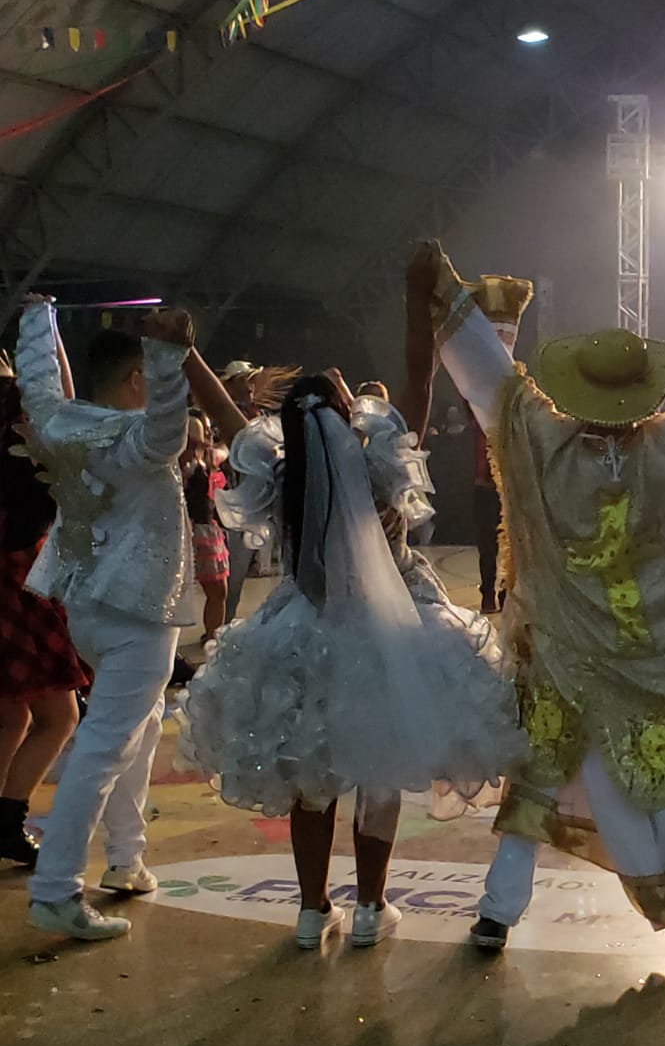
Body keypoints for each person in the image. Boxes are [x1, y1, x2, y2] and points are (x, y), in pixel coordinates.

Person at [411, 238, 665, 959]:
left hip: (563, 657)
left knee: (537, 783)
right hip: (662, 661)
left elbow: (489, 379)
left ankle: (494, 917)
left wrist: (442, 290)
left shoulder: (539, 438)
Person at [178, 361, 520, 950]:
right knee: (380, 772)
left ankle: (312, 911)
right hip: (391, 631)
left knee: (311, 777)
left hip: (301, 630)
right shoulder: (380, 471)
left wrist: (189, 356)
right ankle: (370, 906)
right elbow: (419, 386)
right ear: (345, 416)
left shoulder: (281, 475)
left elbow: (228, 419)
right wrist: (428, 324)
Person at [16, 299, 198, 940]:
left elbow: (38, 382)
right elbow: (169, 427)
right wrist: (171, 354)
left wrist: (38, 319)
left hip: (86, 609)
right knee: (104, 747)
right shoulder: (133, 440)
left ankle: (126, 858)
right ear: (137, 379)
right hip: (138, 614)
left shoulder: (58, 424)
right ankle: (55, 890)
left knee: (136, 731)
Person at [0, 351, 89, 868]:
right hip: (17, 572)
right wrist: (47, 335)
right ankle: (7, 823)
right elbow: (65, 406)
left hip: (11, 566)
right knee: (59, 716)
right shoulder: (20, 411)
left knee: (10, 716)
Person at [218, 360, 298, 622]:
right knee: (234, 574)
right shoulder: (222, 420)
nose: (249, 386)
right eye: (243, 380)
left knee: (285, 567)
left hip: (270, 502)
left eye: (250, 380)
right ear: (230, 386)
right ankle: (223, 623)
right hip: (241, 501)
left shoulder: (261, 416)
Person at [182, 413, 230, 646]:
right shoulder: (184, 464)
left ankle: (212, 634)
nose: (210, 434)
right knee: (217, 591)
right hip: (196, 531)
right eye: (205, 430)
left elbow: (226, 449)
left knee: (218, 591)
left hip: (205, 529)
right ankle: (212, 636)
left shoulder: (206, 458)